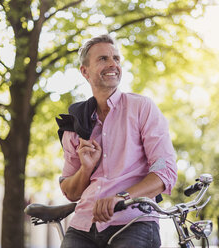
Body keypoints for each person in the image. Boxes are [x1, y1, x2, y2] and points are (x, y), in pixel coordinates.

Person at [56, 34, 177, 248]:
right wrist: (86, 169)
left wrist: (122, 197)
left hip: (134, 221)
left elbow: (164, 173)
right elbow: (70, 192)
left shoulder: (142, 108)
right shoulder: (76, 125)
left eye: (116, 59)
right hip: (84, 225)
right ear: (85, 71)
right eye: (103, 59)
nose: (113, 64)